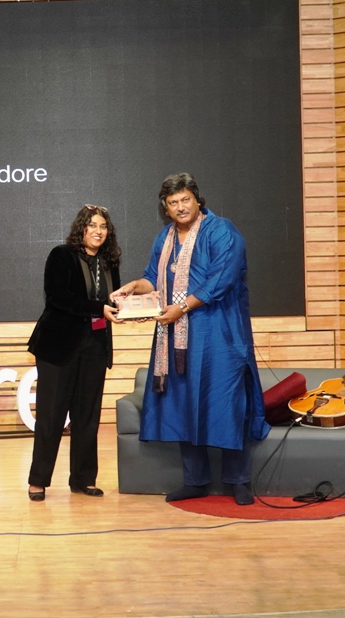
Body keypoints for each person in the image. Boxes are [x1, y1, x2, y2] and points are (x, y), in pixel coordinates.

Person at [110, 173, 269, 505]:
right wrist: (133, 288)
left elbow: (220, 281)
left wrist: (181, 308)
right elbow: (153, 279)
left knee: (227, 404)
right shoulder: (165, 237)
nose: (180, 207)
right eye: (173, 203)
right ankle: (196, 481)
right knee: (184, 403)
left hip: (221, 334)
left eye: (185, 199)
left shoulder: (222, 231)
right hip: (176, 339)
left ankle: (238, 481)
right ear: (165, 208)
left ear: (197, 199)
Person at [26, 204, 123, 502]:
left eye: (103, 226)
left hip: (95, 347)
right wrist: (98, 308)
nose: (98, 231)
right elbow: (57, 297)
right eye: (92, 225)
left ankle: (83, 479)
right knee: (51, 416)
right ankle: (38, 481)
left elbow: (111, 302)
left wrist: (127, 308)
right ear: (81, 228)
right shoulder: (62, 255)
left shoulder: (109, 262)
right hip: (59, 348)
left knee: (87, 417)